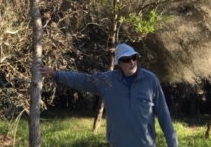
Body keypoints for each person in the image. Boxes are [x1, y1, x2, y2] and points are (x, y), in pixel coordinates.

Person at [41, 43, 178, 147]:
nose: (131, 62)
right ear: (119, 63)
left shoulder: (150, 80)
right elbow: (82, 80)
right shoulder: (107, 81)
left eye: (134, 57)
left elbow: (163, 114)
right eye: (126, 59)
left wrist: (173, 144)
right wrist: (56, 75)